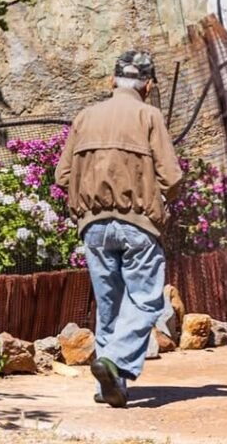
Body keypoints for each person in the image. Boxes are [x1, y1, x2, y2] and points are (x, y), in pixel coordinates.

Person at [54, 50, 183, 407]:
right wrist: (161, 199)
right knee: (145, 301)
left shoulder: (85, 116)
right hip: (138, 224)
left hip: (93, 226)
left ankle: (109, 387)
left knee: (109, 307)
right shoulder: (149, 116)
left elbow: (62, 176)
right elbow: (171, 177)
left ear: (111, 81)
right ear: (149, 84)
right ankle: (116, 362)